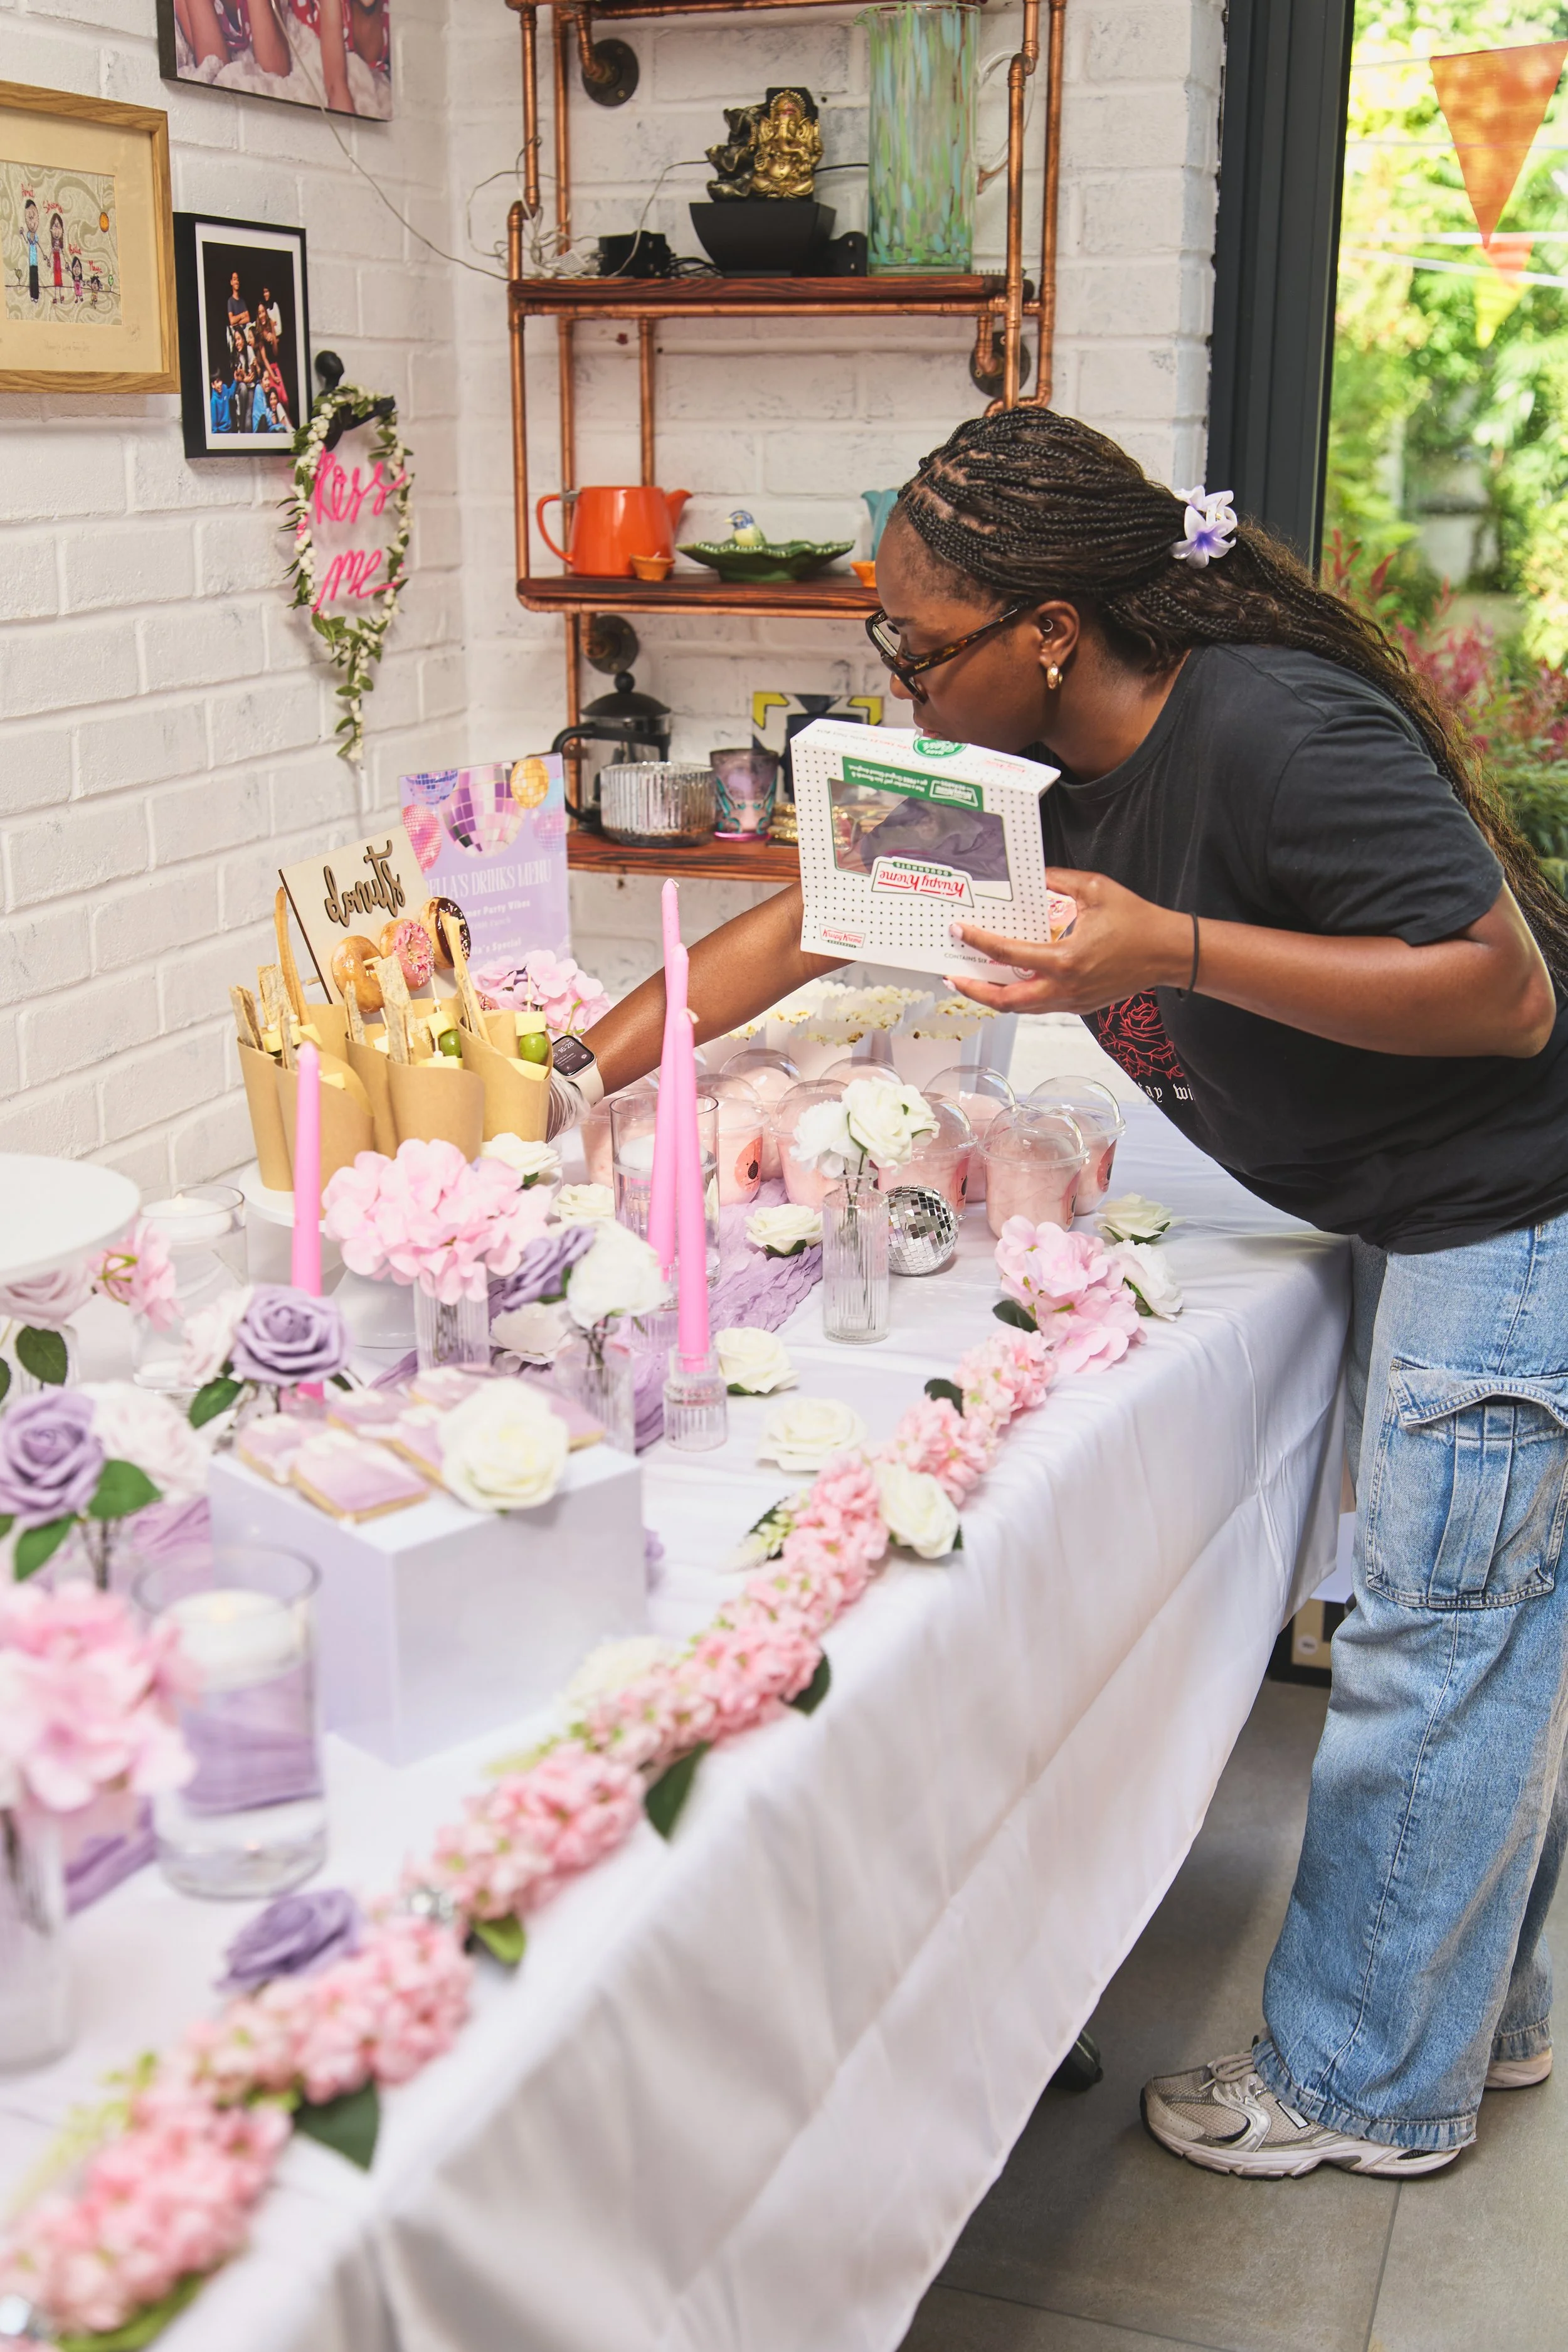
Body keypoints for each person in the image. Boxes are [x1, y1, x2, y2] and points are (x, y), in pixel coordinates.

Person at [564, 404, 1568, 2181]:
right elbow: (800, 922)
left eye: (918, 641)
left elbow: (1502, 999)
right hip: (1420, 1199)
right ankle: (1469, 2008)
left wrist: (1156, 946)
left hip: (1517, 1202)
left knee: (1435, 1640)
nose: (897, 675)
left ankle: (1362, 2083)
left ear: (1046, 631)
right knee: (1485, 1633)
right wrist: (572, 1070)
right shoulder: (1003, 768)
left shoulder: (1270, 732)